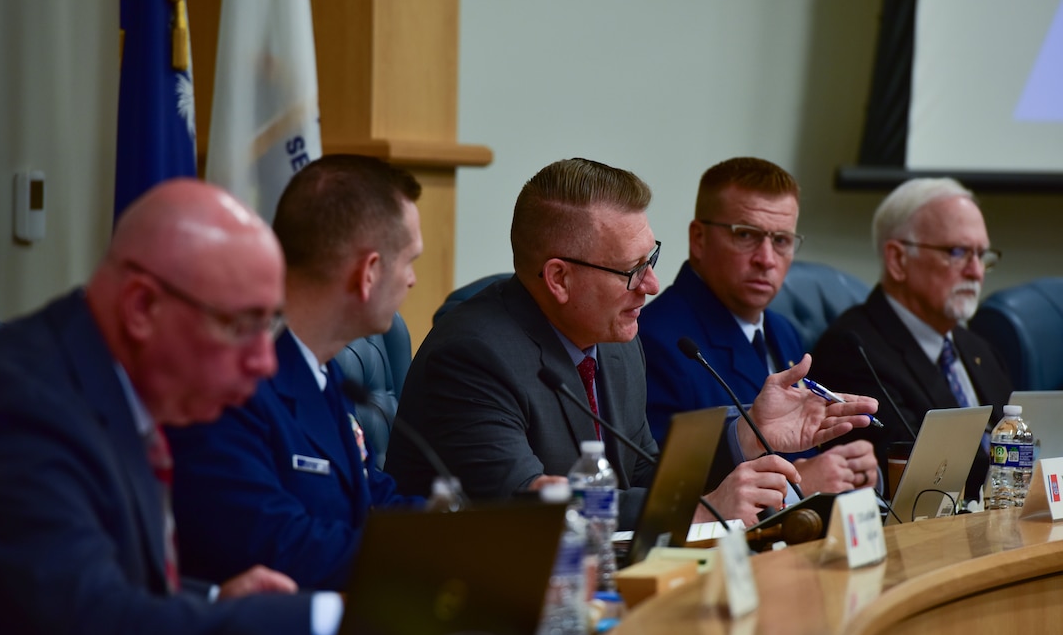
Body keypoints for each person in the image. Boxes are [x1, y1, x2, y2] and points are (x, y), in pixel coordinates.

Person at [385, 158, 878, 527]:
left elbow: (640, 471)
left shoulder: (615, 340)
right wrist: (699, 510)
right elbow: (526, 512)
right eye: (632, 270)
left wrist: (746, 433)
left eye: (652, 259)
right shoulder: (472, 357)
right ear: (558, 278)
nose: (652, 285)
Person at [0, 179, 337, 635]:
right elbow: (93, 630)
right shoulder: (20, 407)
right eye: (241, 326)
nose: (265, 362)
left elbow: (111, 575)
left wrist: (213, 600)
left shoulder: (117, 390)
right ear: (142, 307)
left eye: (269, 325)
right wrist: (321, 620)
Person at [167, 155, 425, 591]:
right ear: (369, 272)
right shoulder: (231, 386)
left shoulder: (319, 372)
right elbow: (277, 546)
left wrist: (475, 530)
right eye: (409, 261)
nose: (413, 279)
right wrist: (436, 557)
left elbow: (370, 496)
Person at [639, 157, 878, 496]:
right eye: (746, 235)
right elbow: (660, 488)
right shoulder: (655, 340)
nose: (766, 258)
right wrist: (799, 484)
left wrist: (848, 470)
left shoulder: (782, 330)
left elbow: (802, 449)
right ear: (699, 239)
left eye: (781, 240)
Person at [809, 177, 1012, 498]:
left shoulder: (977, 347)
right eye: (958, 252)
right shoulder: (853, 350)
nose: (976, 271)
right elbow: (922, 475)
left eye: (982, 255)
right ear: (898, 260)